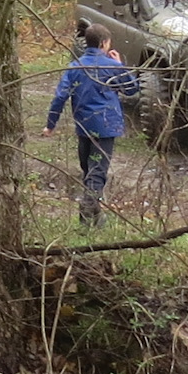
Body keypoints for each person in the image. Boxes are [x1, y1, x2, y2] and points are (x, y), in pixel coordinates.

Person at [44, 25, 138, 225]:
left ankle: (97, 219)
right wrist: (120, 64)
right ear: (104, 43)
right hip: (105, 128)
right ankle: (86, 221)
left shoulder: (75, 66)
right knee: (96, 173)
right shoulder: (111, 66)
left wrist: (50, 124)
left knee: (89, 171)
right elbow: (131, 89)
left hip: (84, 126)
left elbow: (60, 96)